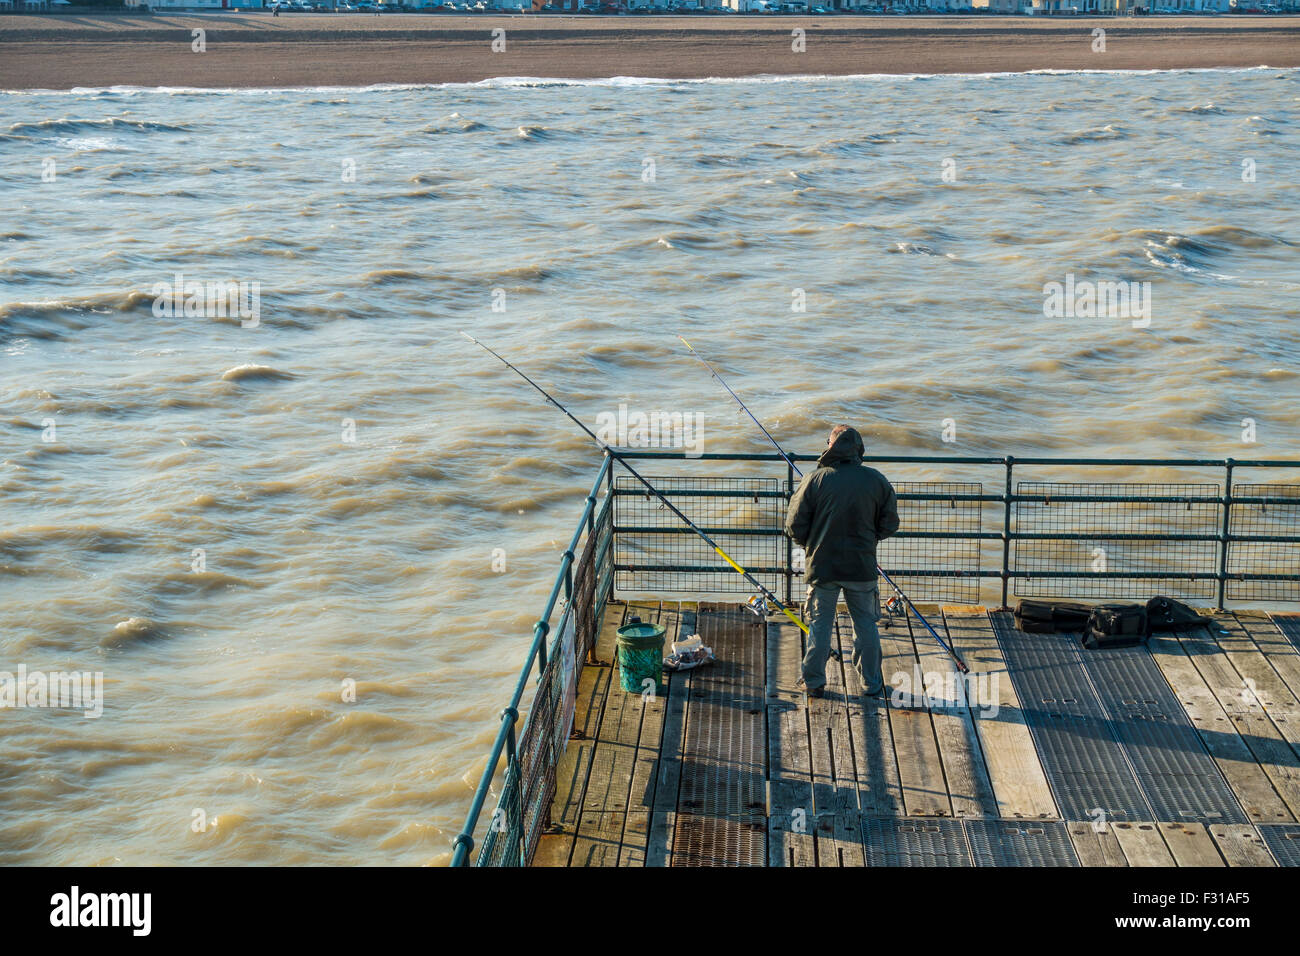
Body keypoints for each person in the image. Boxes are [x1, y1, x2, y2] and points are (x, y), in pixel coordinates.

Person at [784, 425, 899, 699]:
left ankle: (813, 682)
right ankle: (871, 684)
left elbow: (793, 525)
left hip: (822, 566)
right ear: (859, 450)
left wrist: (810, 545)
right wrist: (870, 540)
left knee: (819, 625)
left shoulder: (814, 479)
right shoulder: (876, 480)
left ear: (829, 446)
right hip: (861, 565)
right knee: (866, 624)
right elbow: (890, 523)